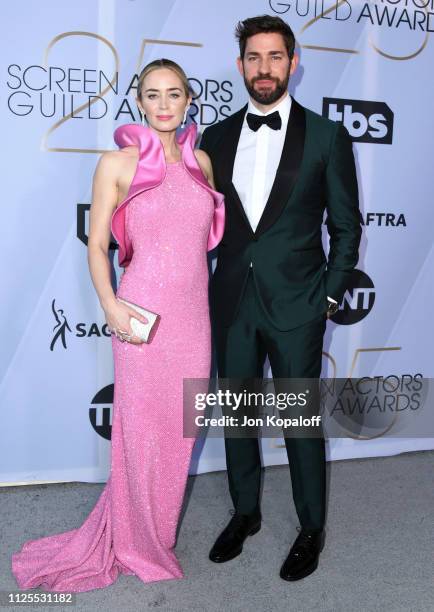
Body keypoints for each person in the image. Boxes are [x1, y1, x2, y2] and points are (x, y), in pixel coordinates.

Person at [11, 59, 224, 592]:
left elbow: (202, 249)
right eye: (152, 95)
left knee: (180, 430)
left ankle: (155, 533)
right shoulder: (116, 163)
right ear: (139, 102)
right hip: (140, 314)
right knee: (140, 430)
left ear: (189, 100)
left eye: (174, 93)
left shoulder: (202, 162)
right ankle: (137, 541)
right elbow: (99, 245)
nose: (163, 104)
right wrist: (109, 304)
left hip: (193, 317)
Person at [200, 15, 362, 581]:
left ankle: (311, 527)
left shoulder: (326, 136)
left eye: (275, 57)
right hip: (232, 303)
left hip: (299, 305)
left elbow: (346, 226)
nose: (263, 68)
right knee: (238, 418)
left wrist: (329, 297)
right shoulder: (213, 137)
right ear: (240, 64)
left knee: (299, 422)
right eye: (253, 58)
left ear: (293, 63)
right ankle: (245, 513)